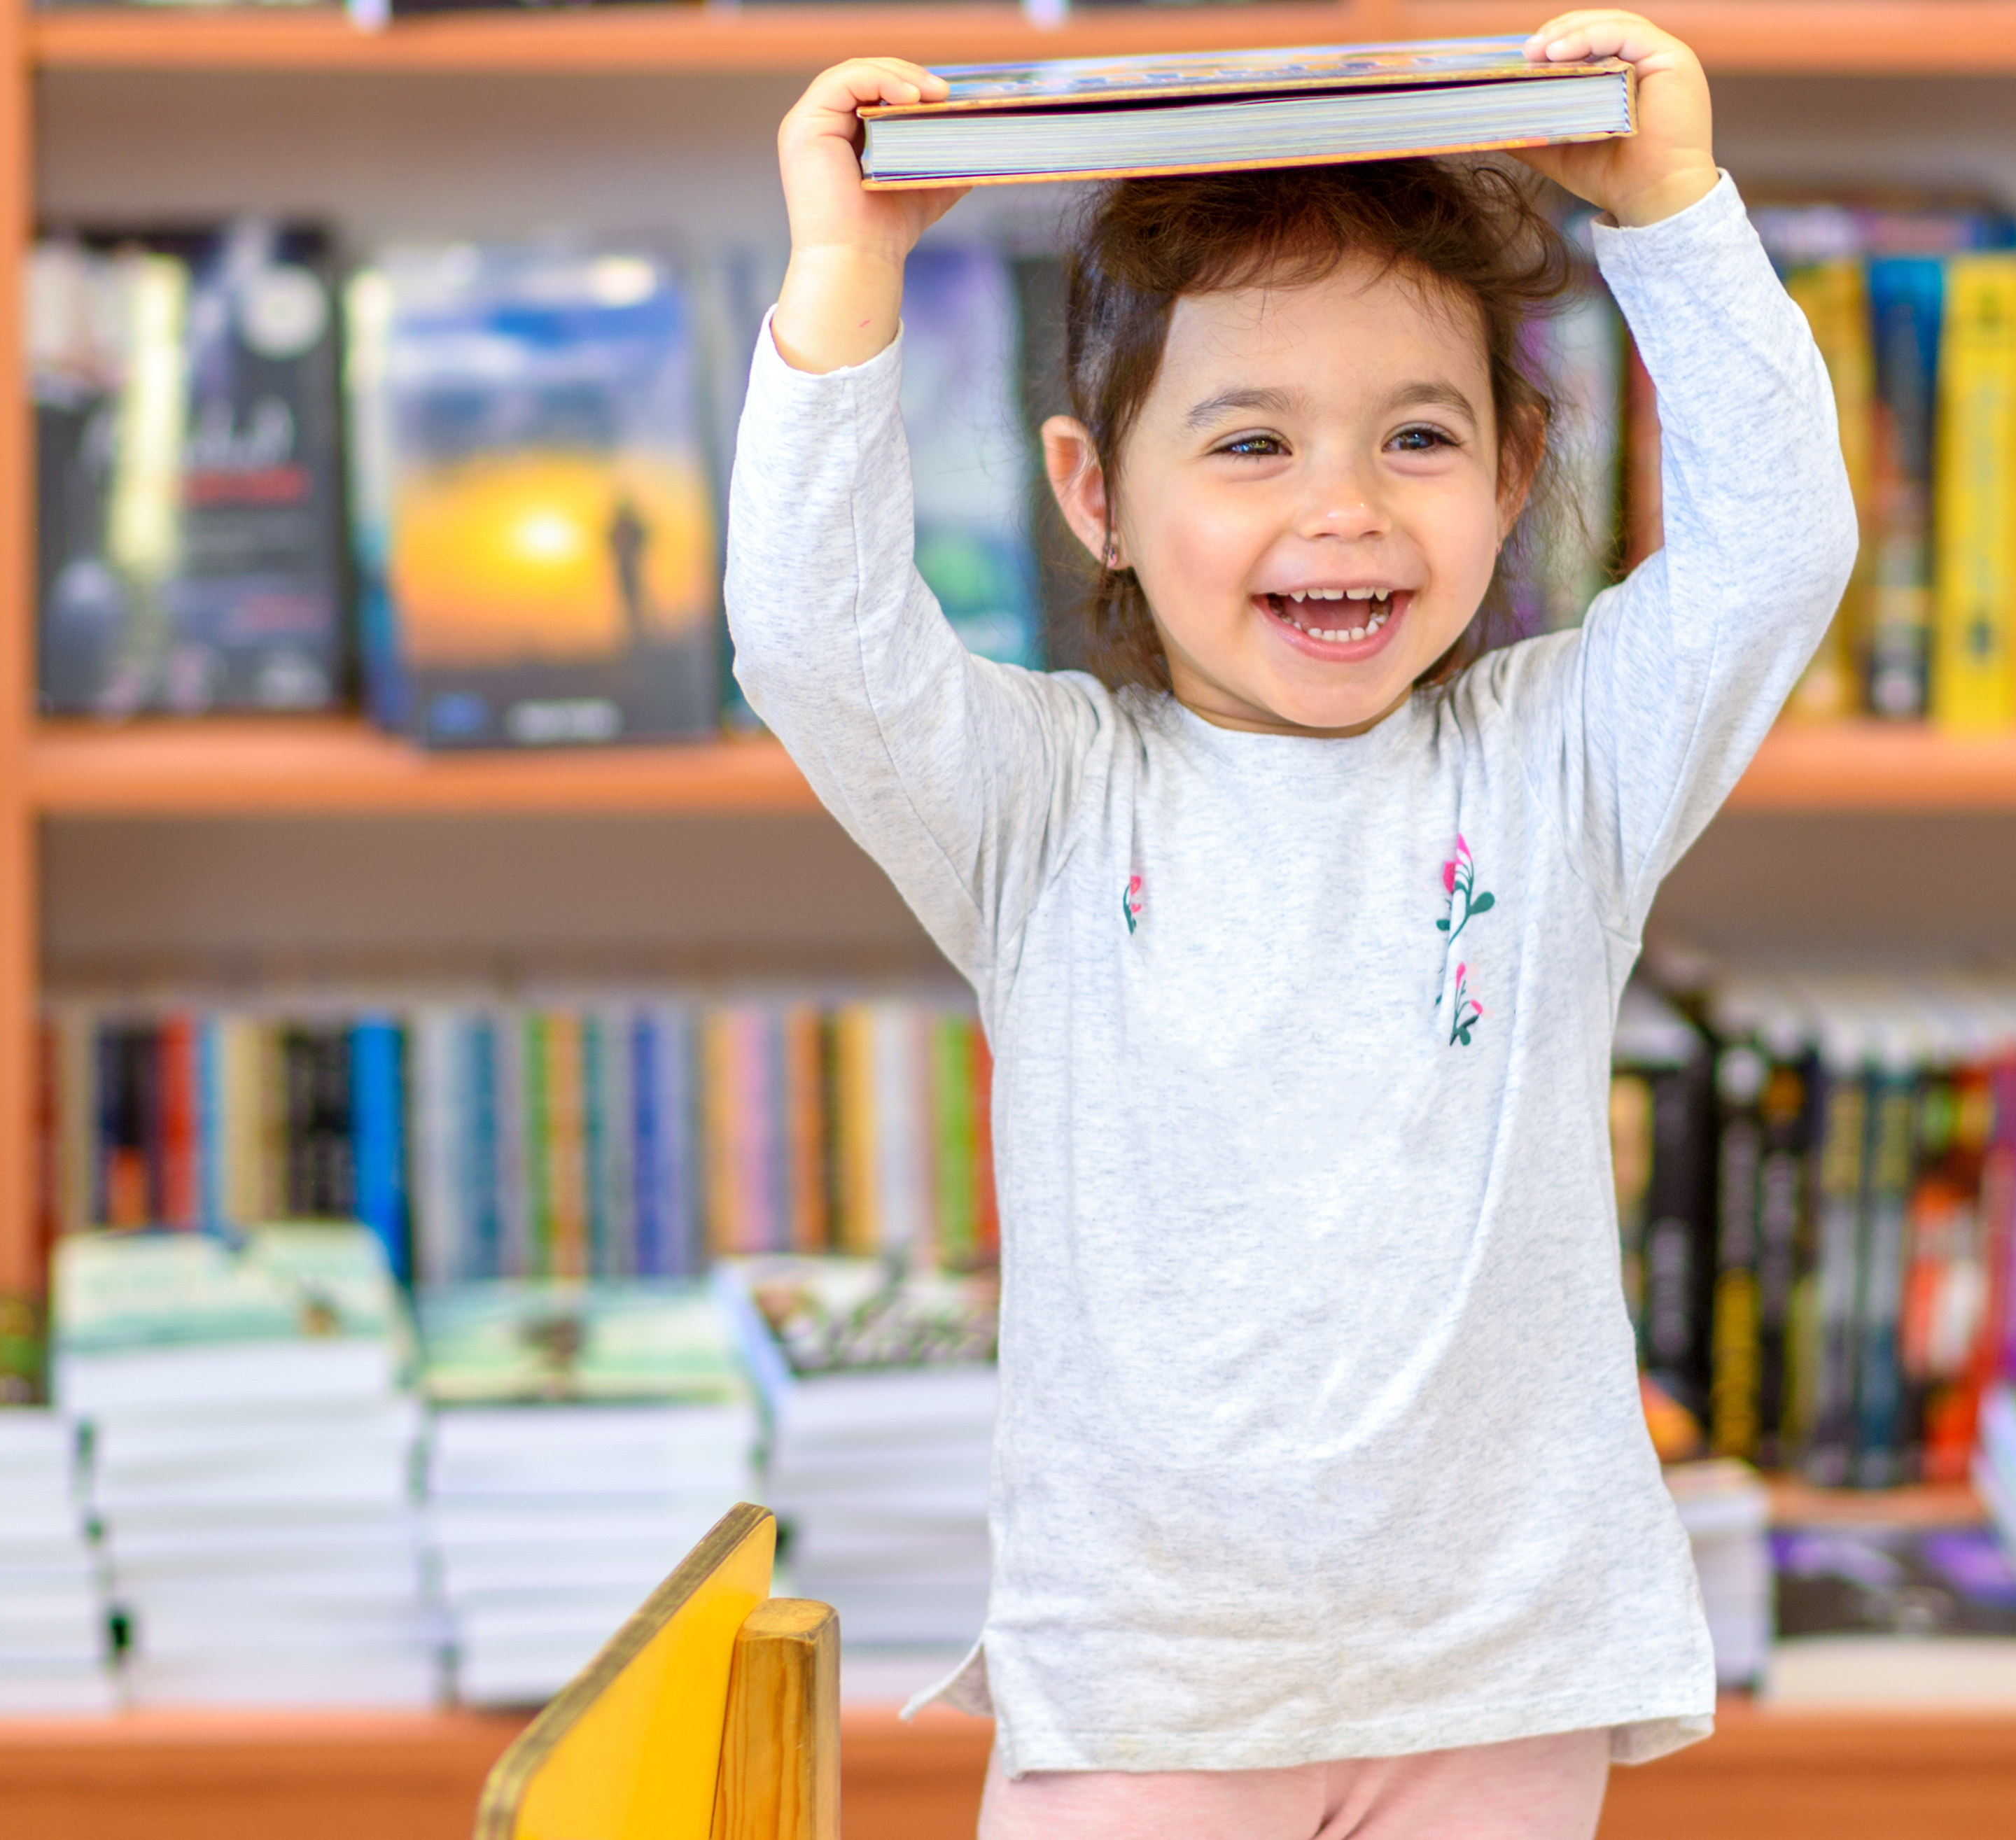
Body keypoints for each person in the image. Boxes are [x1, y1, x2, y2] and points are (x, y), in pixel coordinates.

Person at [727, 12, 1856, 1835]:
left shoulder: (1561, 772)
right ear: (1095, 496)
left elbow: (1773, 555)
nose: (1342, 507)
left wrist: (1664, 207)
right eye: (1248, 442)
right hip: (1151, 1689)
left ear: (1510, 478)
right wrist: (847, 271)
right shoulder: (1042, 806)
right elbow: (812, 646)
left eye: (1418, 437)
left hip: (1497, 1674)